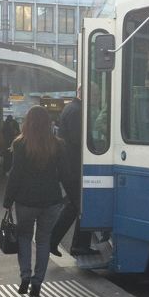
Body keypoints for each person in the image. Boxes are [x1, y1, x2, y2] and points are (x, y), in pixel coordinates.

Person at [3, 105, 75, 297]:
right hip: (51, 201)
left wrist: (8, 200)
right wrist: (74, 198)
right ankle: (37, 282)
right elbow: (66, 175)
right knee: (43, 241)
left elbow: (15, 175)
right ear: (48, 124)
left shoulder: (20, 144)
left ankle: (25, 276)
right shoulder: (58, 145)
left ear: (28, 122)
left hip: (25, 201)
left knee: (24, 238)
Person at [49, 89, 96, 257]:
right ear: (84, 93)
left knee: (75, 205)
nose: (96, 96)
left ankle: (68, 243)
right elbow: (78, 139)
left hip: (70, 167)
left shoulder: (72, 108)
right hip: (73, 168)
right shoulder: (76, 111)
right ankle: (71, 244)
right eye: (94, 93)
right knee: (82, 206)